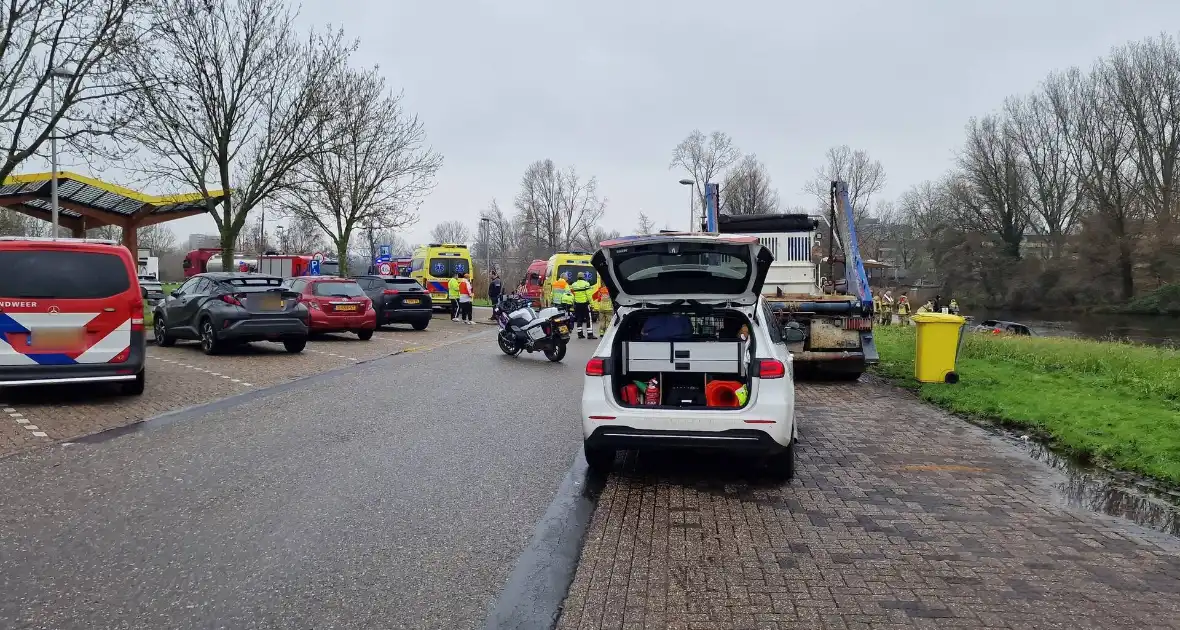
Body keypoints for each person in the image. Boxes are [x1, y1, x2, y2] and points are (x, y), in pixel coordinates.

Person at [569, 274, 594, 339]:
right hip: (585, 304)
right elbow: (589, 295)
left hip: (577, 304)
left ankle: (580, 334)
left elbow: (572, 294)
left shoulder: (573, 285)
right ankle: (590, 334)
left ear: (577, 277)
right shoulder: (586, 284)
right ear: (583, 277)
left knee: (579, 319)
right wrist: (592, 304)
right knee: (588, 319)